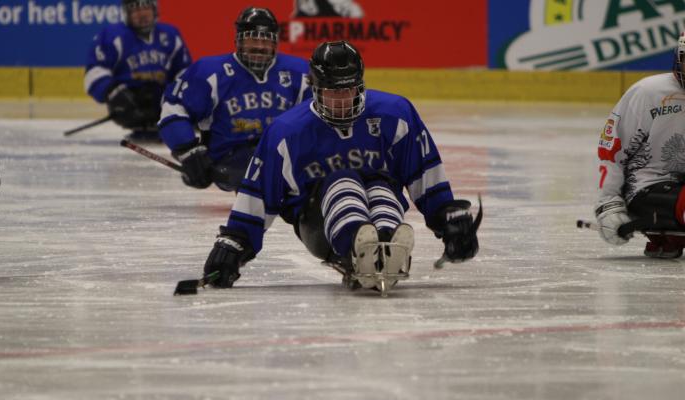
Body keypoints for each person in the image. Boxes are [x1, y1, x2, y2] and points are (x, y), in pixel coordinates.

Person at [201, 41, 480, 292]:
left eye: (348, 90)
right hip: (317, 223)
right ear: (315, 89)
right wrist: (234, 244)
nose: (342, 101)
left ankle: (387, 243)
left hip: (378, 198)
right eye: (333, 92)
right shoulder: (287, 132)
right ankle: (354, 247)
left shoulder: (396, 114)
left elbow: (423, 172)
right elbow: (259, 194)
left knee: (381, 187)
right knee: (343, 181)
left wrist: (447, 216)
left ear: (360, 85)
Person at [158, 6, 312, 191]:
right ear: (238, 40)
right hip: (231, 157)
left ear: (275, 42)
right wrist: (188, 151)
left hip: (284, 154)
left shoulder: (299, 72)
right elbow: (174, 107)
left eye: (266, 40)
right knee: (261, 172)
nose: (259, 46)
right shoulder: (210, 72)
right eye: (252, 39)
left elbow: (319, 117)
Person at [595, 32, 685, 258]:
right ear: (678, 58)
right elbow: (612, 151)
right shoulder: (648, 92)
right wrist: (608, 203)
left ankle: (671, 236)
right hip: (647, 187)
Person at [84, 0, 190, 140]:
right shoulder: (113, 35)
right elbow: (94, 72)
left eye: (146, 8)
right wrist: (114, 92)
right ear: (126, 14)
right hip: (131, 101)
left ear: (155, 10)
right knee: (123, 98)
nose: (142, 14)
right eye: (135, 10)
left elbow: (184, 71)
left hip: (163, 101)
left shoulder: (171, 35)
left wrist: (181, 97)